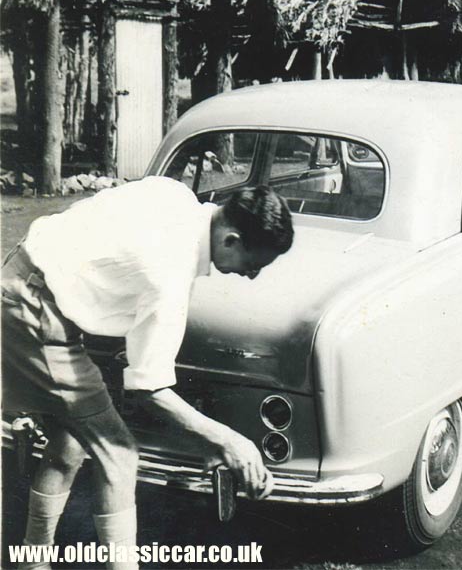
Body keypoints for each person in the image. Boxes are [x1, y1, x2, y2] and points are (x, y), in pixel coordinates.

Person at [1, 178, 294, 570]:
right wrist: (228, 442)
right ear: (231, 240)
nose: (252, 275)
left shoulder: (173, 193)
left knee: (69, 444)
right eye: (254, 263)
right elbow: (149, 388)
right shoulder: (171, 273)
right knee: (119, 455)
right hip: (35, 313)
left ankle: (29, 563)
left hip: (20, 279)